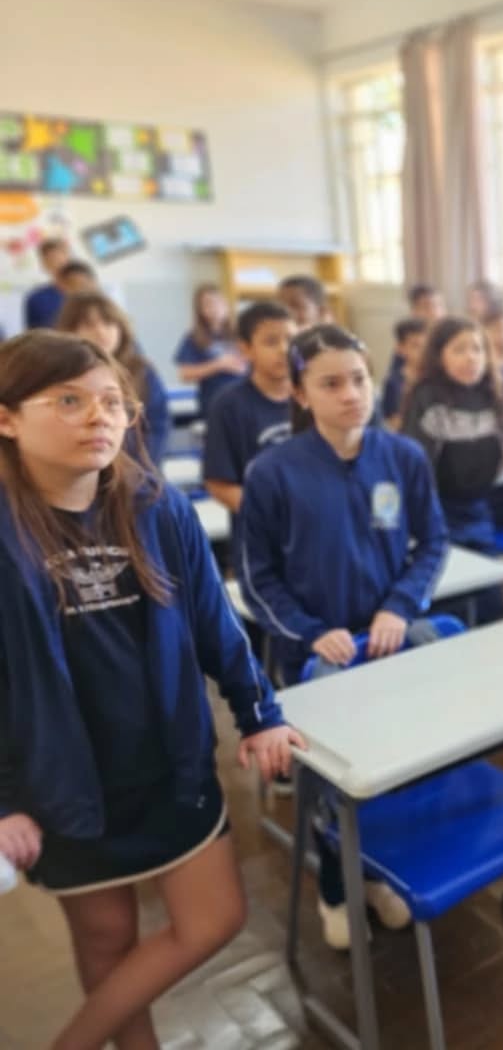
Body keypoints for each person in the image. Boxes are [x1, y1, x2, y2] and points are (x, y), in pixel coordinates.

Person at [0, 331, 303, 1050]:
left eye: (112, 402)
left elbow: (214, 623)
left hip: (169, 763)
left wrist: (259, 712)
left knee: (215, 919)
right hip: (63, 783)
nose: (98, 416)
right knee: (107, 942)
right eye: (68, 400)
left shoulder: (155, 506)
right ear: (6, 418)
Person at [238, 325, 448, 949]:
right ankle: (336, 888)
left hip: (387, 647)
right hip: (316, 658)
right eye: (330, 383)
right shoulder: (272, 472)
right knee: (335, 781)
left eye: (359, 379)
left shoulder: (403, 456)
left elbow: (433, 542)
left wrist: (399, 607)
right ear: (301, 394)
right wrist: (311, 632)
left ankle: (381, 875)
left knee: (393, 768)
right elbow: (256, 579)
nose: (351, 394)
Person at [401, 316, 503, 557]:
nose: (471, 357)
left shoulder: (497, 393)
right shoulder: (427, 396)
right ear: (439, 356)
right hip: (438, 510)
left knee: (488, 574)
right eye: (459, 350)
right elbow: (416, 463)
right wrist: (420, 518)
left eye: (477, 349)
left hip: (480, 506)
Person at [202, 301, 298, 516]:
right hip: (261, 528)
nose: (284, 349)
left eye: (291, 339)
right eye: (271, 341)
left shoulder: (314, 397)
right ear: (246, 349)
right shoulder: (228, 405)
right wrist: (271, 515)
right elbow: (218, 484)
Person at [55, 292, 170, 467]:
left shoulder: (141, 370)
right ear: (70, 331)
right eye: (89, 325)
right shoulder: (59, 374)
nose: (101, 331)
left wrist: (140, 468)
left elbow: (158, 425)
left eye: (108, 323)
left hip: (139, 470)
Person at [174, 285, 247, 419]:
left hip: (244, 400)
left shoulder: (242, 333)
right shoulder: (193, 338)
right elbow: (185, 374)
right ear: (200, 310)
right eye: (208, 304)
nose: (215, 308)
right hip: (213, 403)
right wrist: (219, 364)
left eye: (219, 302)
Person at [382, 317, 428, 428]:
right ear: (400, 348)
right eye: (415, 346)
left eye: (426, 345)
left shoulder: (437, 377)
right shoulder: (393, 383)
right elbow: (393, 422)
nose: (423, 351)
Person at [23, 237, 71, 330]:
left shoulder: (87, 292)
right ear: (44, 264)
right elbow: (33, 334)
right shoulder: (35, 299)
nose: (57, 263)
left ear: (68, 259)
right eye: (51, 259)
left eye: (59, 258)